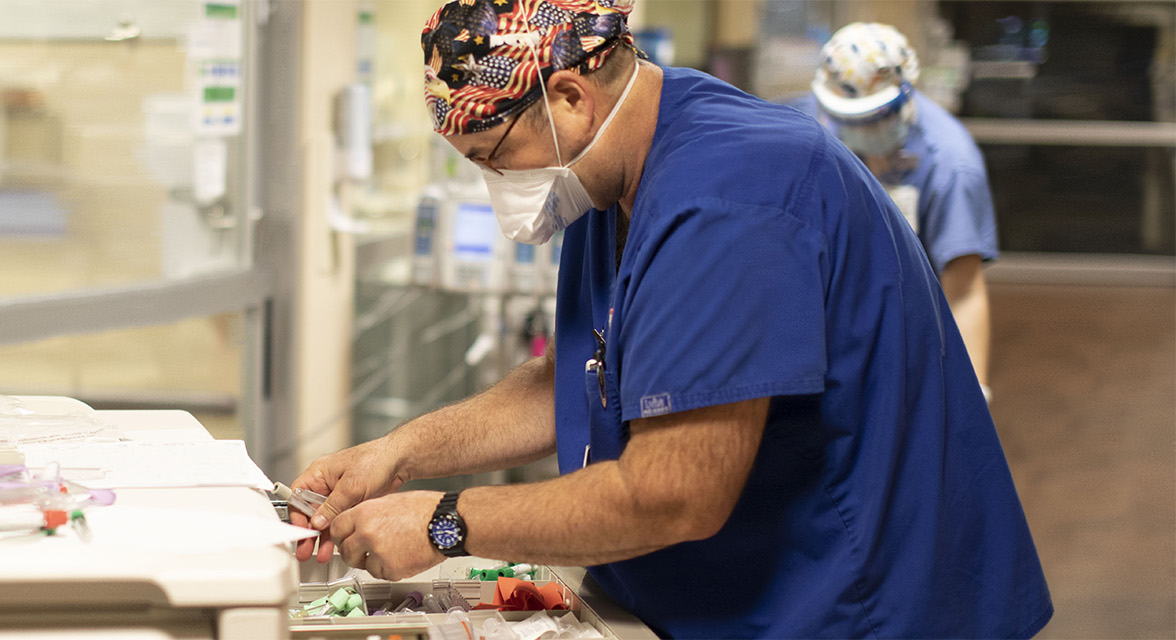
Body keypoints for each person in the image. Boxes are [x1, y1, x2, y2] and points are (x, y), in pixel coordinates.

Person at [290, 1, 1051, 637]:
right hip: (709, 594)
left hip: (855, 604)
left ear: (569, 98)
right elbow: (580, 374)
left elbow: (673, 493)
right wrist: (399, 451)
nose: (495, 182)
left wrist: (445, 523)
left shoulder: (729, 200)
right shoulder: (610, 166)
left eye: (493, 154)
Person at [789, 23, 999, 398]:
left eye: (876, 116)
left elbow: (964, 288)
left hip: (903, 330)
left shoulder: (949, 162)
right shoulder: (798, 125)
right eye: (849, 118)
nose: (863, 128)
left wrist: (974, 395)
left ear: (907, 93)